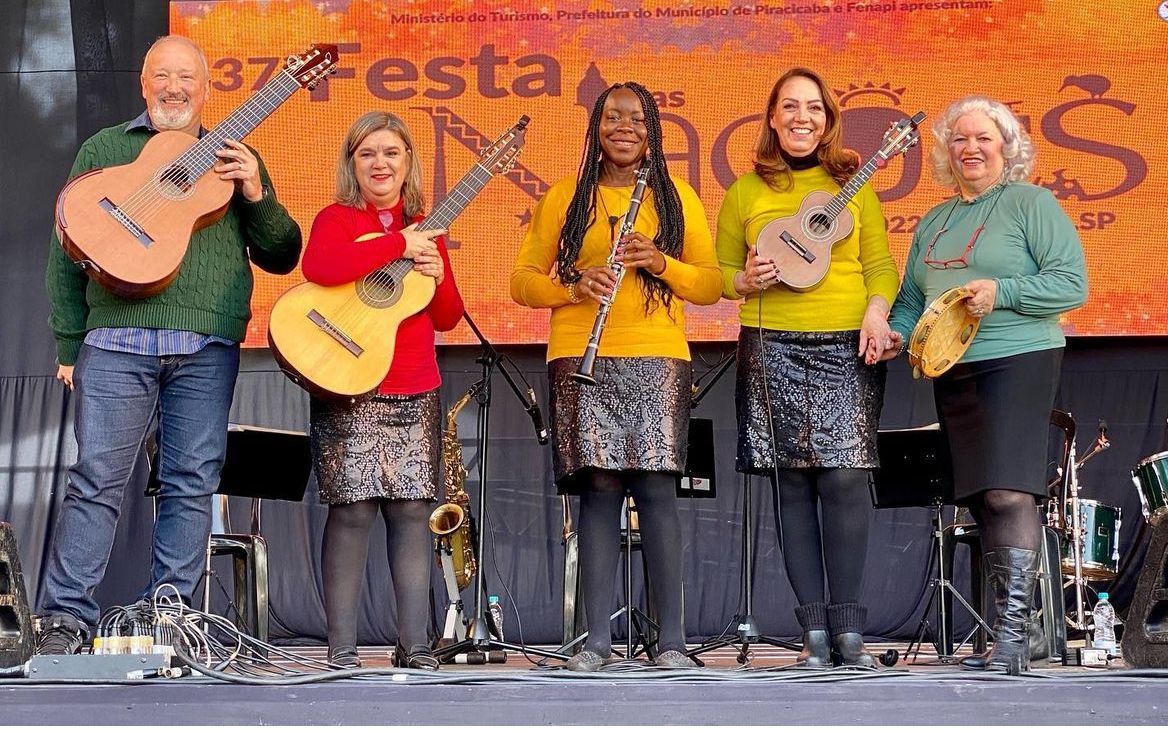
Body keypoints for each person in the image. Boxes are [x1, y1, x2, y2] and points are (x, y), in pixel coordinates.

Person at [38, 35, 302, 653]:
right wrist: (69, 341)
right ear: (144, 83)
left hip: (207, 345)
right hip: (116, 341)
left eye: (186, 77)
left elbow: (283, 254)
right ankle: (64, 621)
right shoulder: (105, 149)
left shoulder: (239, 157)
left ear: (208, 91)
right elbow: (65, 248)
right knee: (96, 478)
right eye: (162, 75)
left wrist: (257, 193)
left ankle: (174, 619)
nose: (173, 87)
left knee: (191, 482)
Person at [510, 82, 722, 671]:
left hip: (657, 353)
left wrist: (660, 261)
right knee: (596, 491)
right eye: (611, 116)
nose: (623, 126)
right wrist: (572, 286)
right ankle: (593, 643)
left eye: (635, 117)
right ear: (595, 127)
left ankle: (672, 643)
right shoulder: (565, 198)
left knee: (656, 491)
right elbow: (521, 280)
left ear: (652, 127)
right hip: (582, 353)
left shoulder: (676, 197)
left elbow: (709, 285)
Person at [882, 95, 1088, 674]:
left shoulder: (1031, 203)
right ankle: (1008, 637)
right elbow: (910, 300)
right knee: (979, 499)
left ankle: (1016, 638)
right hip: (952, 366)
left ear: (1006, 148)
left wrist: (1004, 293)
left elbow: (1071, 285)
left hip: (1020, 355)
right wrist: (894, 335)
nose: (970, 148)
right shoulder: (934, 219)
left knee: (1008, 492)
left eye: (983, 139)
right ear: (947, 152)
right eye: (959, 139)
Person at [714, 67, 899, 668]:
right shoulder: (745, 190)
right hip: (772, 343)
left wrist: (876, 313)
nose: (802, 117)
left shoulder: (854, 185)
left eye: (814, 107)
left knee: (845, 480)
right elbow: (720, 274)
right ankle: (813, 633)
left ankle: (849, 628)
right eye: (790, 106)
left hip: (847, 342)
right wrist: (745, 279)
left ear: (828, 119)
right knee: (790, 483)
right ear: (772, 117)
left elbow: (880, 263)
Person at [300, 111, 462, 670]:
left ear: (408, 162)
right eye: (368, 153)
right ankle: (342, 649)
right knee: (351, 511)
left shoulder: (425, 227)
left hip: (416, 385)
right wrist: (396, 244)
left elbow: (447, 319)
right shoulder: (337, 219)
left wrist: (435, 269)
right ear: (352, 163)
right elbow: (320, 265)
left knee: (413, 512)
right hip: (349, 384)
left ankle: (414, 646)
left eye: (392, 153)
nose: (380, 163)